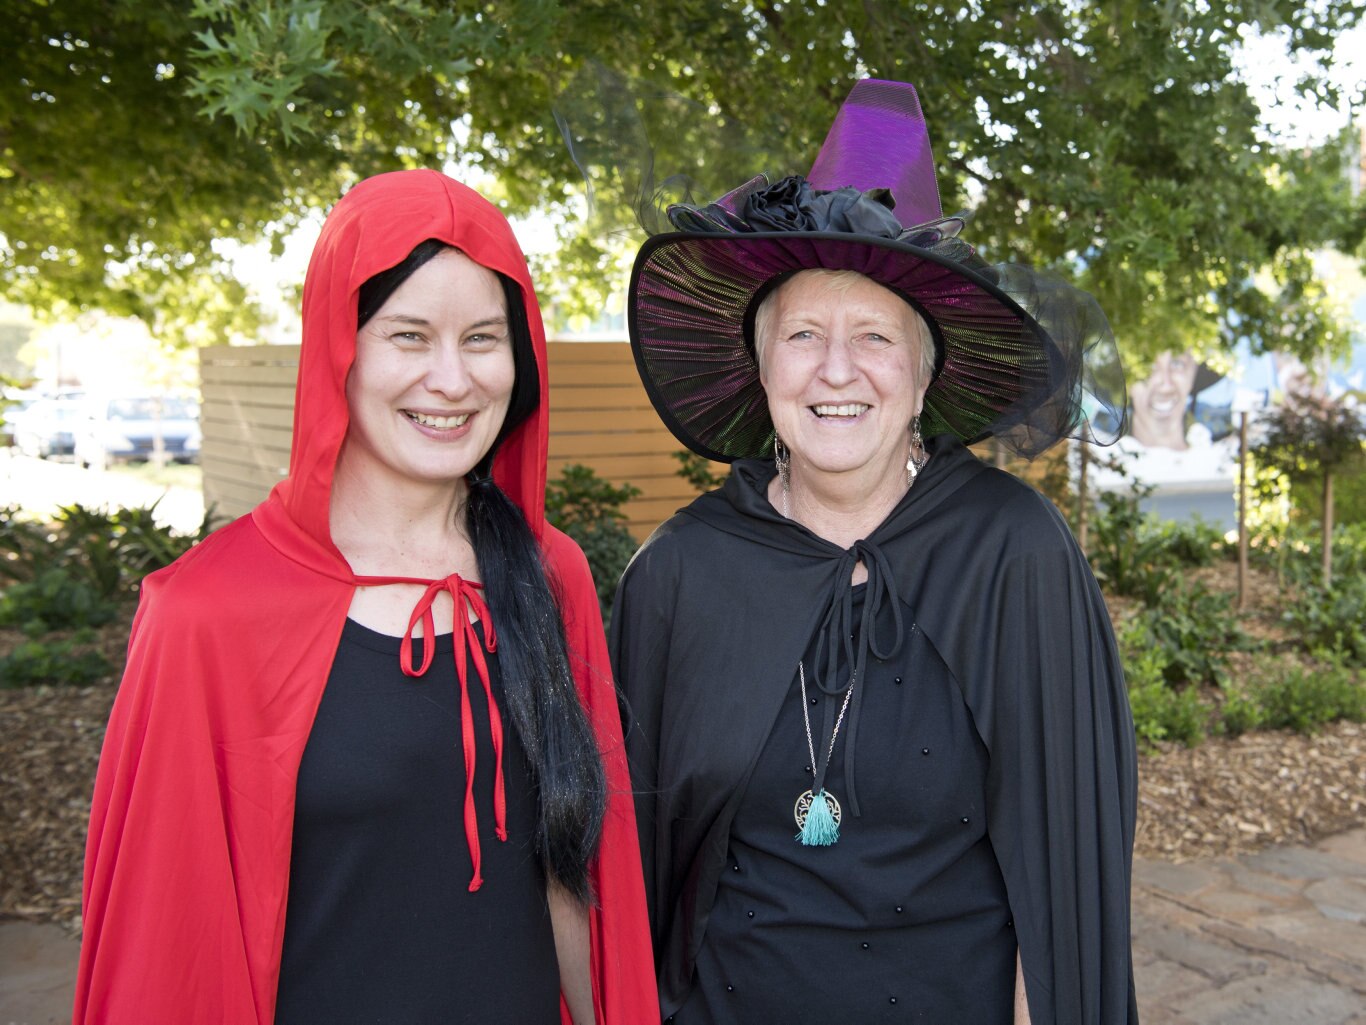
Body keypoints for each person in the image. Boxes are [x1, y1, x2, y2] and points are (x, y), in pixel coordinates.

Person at [610, 80, 1138, 1024]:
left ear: (924, 377)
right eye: (804, 334)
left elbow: (1066, 869)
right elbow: (628, 866)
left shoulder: (1014, 553)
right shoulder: (680, 572)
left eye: (876, 336)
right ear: (762, 368)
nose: (838, 369)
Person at [74, 169, 656, 1024]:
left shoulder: (549, 573)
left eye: (484, 338)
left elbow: (576, 881)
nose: (453, 380)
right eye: (411, 336)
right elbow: (170, 955)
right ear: (338, 348)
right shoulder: (204, 615)